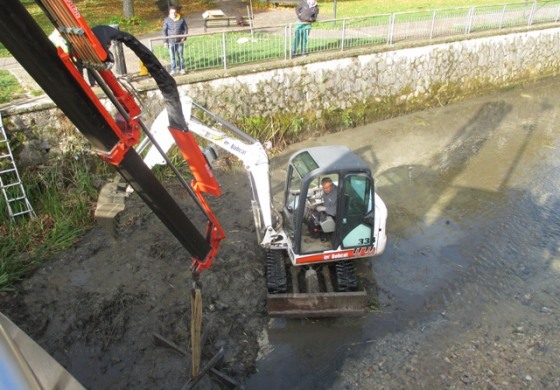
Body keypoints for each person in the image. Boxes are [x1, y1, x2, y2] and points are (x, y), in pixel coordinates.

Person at [162, 5, 188, 75]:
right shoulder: (167, 20)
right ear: (169, 13)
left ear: (176, 12)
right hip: (171, 42)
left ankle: (182, 69)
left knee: (180, 56)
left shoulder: (181, 19)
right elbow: (164, 31)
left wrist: (184, 37)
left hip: (180, 41)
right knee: (172, 57)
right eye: (171, 13)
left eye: (174, 12)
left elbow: (185, 29)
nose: (173, 14)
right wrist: (165, 41)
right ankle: (173, 69)